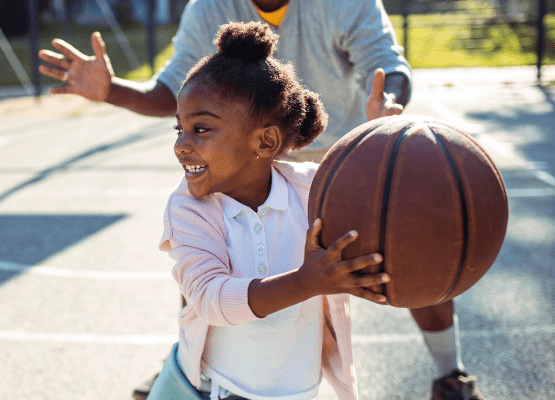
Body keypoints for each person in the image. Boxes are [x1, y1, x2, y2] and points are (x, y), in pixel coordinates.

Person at [38, 1, 483, 399]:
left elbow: (387, 64)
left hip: (340, 162)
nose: (180, 142)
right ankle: (195, 367)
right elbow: (173, 89)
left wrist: (388, 107)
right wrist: (112, 89)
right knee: (210, 267)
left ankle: (450, 372)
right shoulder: (207, 10)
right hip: (232, 162)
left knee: (411, 243)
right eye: (181, 131)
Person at [155, 21, 389, 399]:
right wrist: (307, 281)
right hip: (220, 389)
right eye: (179, 128)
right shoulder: (189, 208)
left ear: (264, 141)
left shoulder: (312, 190)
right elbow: (211, 298)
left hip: (299, 391)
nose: (182, 145)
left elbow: (376, 207)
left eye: (201, 129)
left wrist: (382, 142)